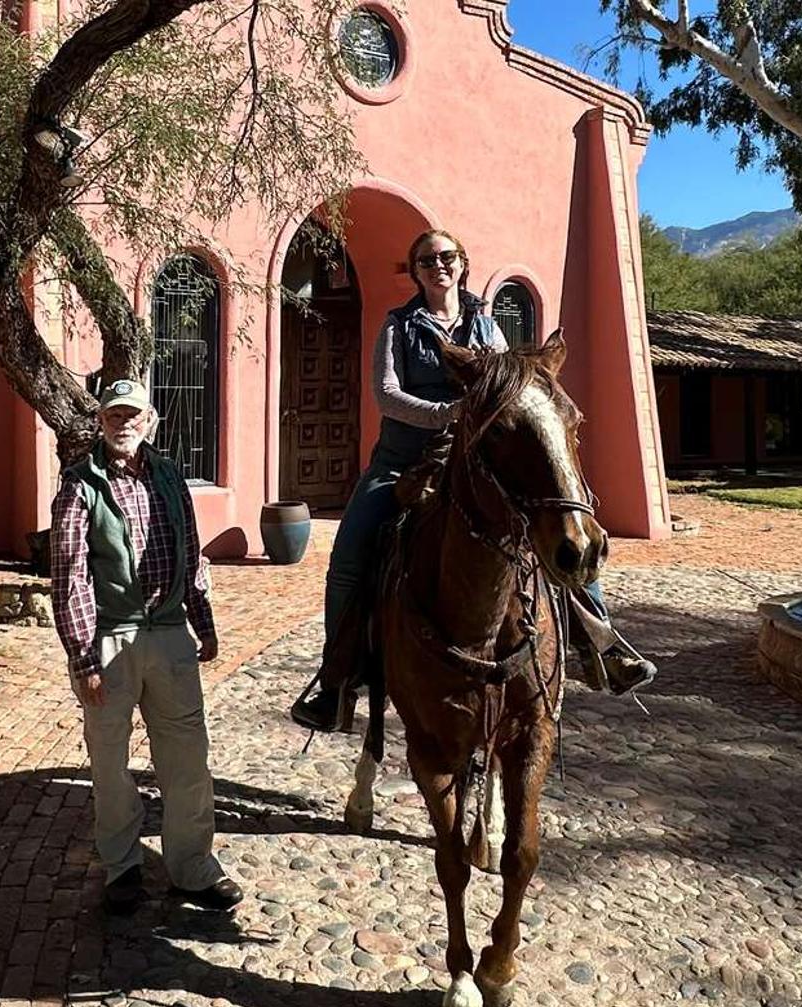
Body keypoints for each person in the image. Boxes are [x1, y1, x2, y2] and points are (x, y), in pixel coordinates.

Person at [288, 230, 655, 733]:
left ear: (462, 264)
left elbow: (513, 386)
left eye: (447, 257)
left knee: (564, 526)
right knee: (348, 556)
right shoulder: (398, 327)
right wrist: (451, 412)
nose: (438, 266)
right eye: (426, 260)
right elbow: (387, 395)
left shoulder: (488, 328)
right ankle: (336, 683)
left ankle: (602, 645)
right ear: (415, 271)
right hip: (403, 460)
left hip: (477, 461)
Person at [49, 378, 244, 915]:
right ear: (101, 422)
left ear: (150, 420)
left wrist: (203, 623)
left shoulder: (168, 476)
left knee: (187, 758)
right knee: (110, 763)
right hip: (110, 640)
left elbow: (192, 555)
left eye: (132, 414)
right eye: (114, 415)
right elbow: (70, 578)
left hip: (170, 634)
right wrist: (85, 657)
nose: (123, 423)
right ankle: (122, 868)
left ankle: (193, 867)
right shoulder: (79, 485)